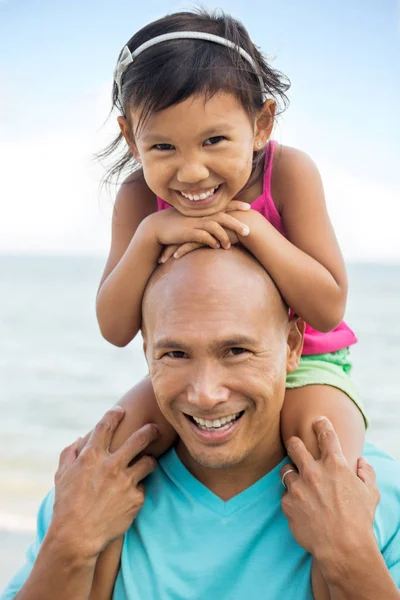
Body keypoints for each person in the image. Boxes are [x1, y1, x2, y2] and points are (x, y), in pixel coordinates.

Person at [94, 9, 366, 598]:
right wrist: (148, 238)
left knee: (328, 465)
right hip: (196, 365)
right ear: (129, 137)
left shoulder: (288, 173)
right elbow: (116, 328)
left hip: (308, 362)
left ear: (262, 123)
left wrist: (252, 230)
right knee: (109, 454)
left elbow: (327, 307)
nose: (191, 170)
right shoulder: (140, 198)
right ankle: (100, 574)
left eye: (215, 140)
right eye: (162, 145)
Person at [2, 248, 400, 600]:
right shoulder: (88, 490)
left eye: (237, 351)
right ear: (147, 353)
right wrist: (69, 545)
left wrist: (350, 555)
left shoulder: (368, 493)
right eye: (175, 353)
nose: (205, 394)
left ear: (292, 346)